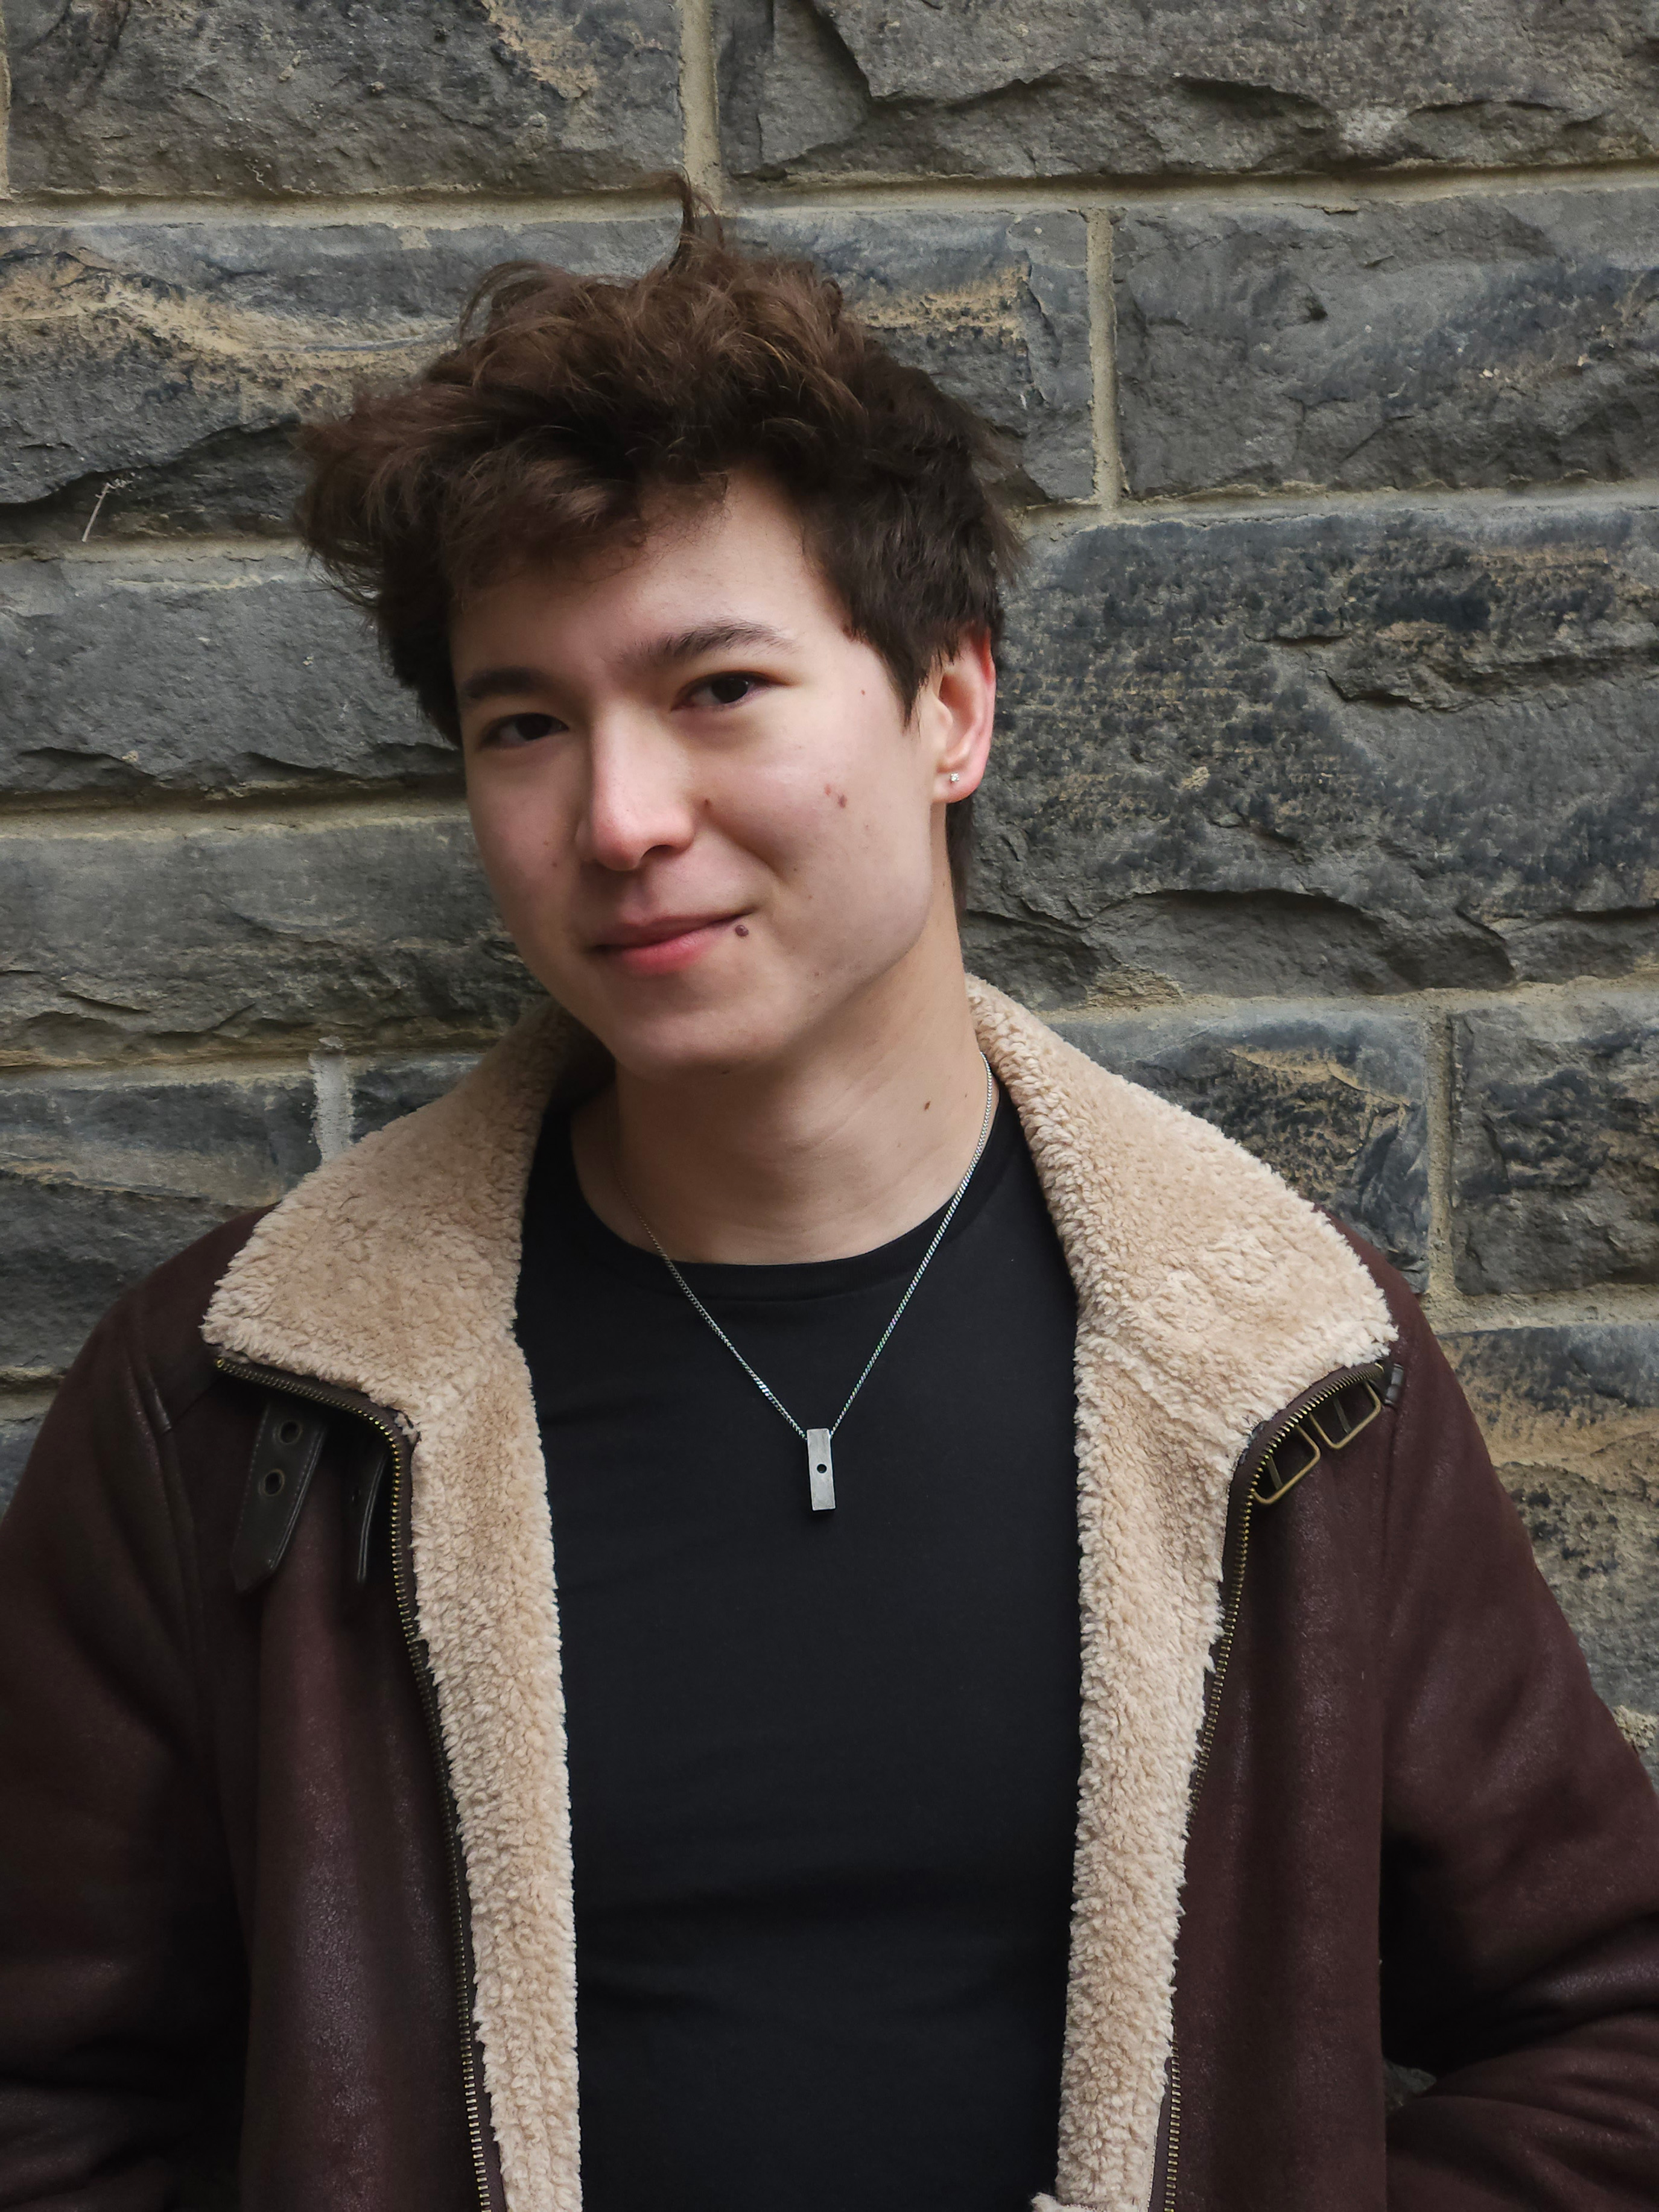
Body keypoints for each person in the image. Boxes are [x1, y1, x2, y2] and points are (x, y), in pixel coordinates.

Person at [1, 194, 1656, 2212]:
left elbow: (1609, 2025)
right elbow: (47, 2102)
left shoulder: (1289, 1373)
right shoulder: (232, 1402)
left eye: (717, 688)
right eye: (526, 722)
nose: (619, 818)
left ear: (950, 703)